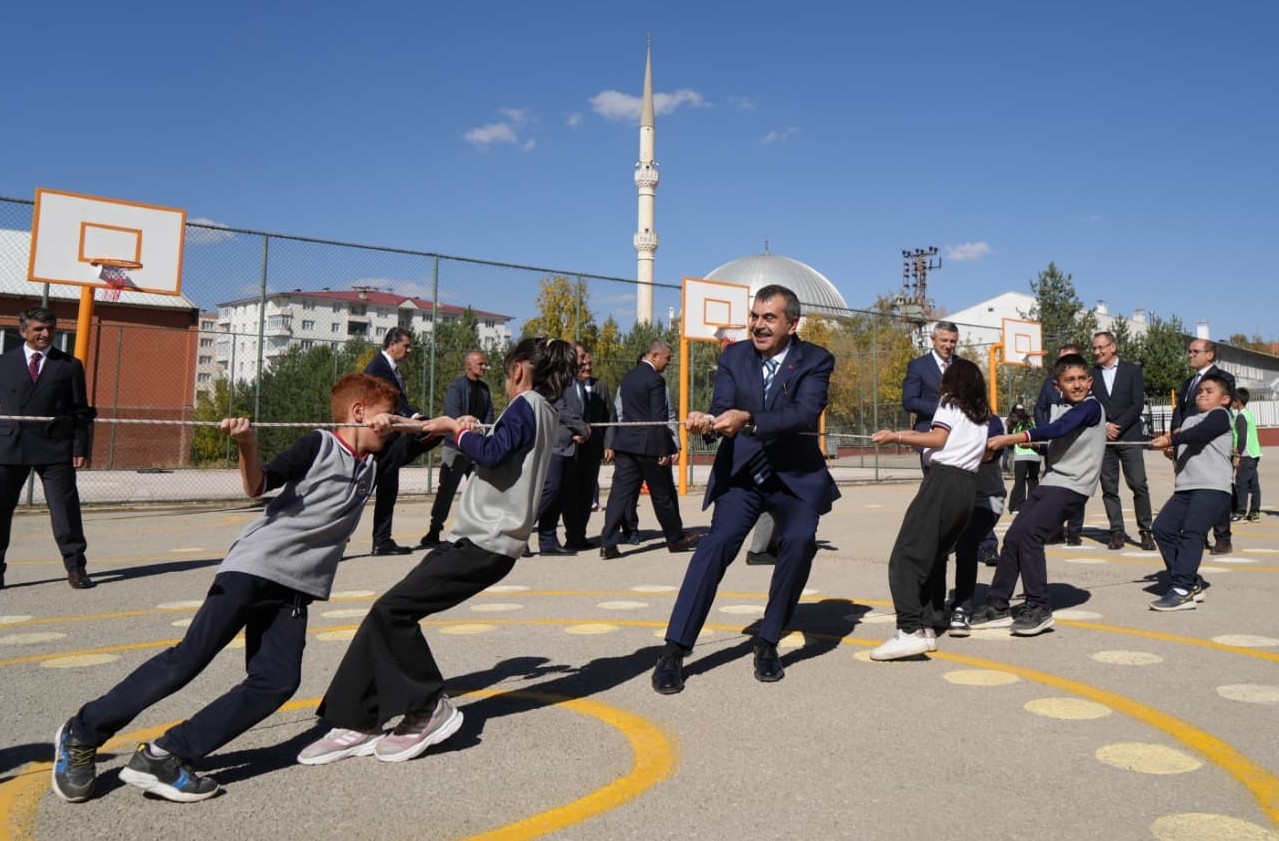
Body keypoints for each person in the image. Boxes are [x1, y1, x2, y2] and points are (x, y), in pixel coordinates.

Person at [52, 373, 418, 803]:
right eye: (385, 416)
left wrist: (436, 424)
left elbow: (432, 429)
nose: (391, 424)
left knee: (276, 681)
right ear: (359, 413)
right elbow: (257, 485)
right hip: (253, 568)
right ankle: (82, 732)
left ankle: (167, 754)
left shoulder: (376, 460)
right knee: (186, 660)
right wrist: (246, 443)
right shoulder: (319, 445)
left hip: (294, 588)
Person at [296, 338, 576, 766]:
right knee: (384, 613)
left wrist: (456, 430)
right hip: (479, 541)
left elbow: (493, 451)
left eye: (503, 373)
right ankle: (355, 719)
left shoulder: (527, 404)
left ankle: (428, 707)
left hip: (486, 543)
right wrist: (450, 427)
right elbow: (502, 449)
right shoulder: (542, 410)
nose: (503, 381)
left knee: (394, 612)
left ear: (518, 370)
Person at [652, 285, 839, 692]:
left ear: (792, 323)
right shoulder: (734, 356)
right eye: (754, 316)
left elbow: (804, 411)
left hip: (794, 476)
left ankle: (768, 640)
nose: (758, 325)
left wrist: (749, 419)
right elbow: (722, 406)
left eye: (768, 318)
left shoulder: (817, 360)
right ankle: (674, 649)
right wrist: (708, 419)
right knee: (715, 546)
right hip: (743, 475)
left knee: (800, 541)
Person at [968, 353, 1105, 637]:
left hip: (1073, 485)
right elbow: (1055, 441)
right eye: (1070, 380)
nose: (1077, 385)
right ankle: (998, 605)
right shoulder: (1061, 408)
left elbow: (1057, 430)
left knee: (1030, 535)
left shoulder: (1091, 407)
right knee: (1015, 537)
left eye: (1081, 379)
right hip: (1052, 480)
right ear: (1058, 386)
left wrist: (1010, 438)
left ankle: (1039, 606)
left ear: (1090, 382)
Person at [868, 358, 992, 660]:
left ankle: (908, 630)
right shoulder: (982, 415)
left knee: (906, 556)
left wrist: (895, 436)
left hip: (944, 481)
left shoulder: (950, 403)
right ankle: (926, 625)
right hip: (967, 487)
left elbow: (937, 438)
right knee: (933, 555)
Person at [0, 306, 95, 590]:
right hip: (9, 446)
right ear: (23, 331)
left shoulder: (69, 365)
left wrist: (80, 447)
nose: (46, 334)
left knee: (65, 510)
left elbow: (80, 411)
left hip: (55, 448)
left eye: (51, 328)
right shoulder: (4, 363)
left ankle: (76, 566)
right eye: (39, 329)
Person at [598, 341, 696, 558]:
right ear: (654, 355)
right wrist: (664, 449)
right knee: (663, 495)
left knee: (619, 496)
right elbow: (657, 418)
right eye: (667, 358)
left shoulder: (628, 378)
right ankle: (675, 539)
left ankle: (608, 544)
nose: (668, 363)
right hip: (649, 446)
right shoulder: (655, 381)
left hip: (625, 444)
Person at [1147, 374, 1235, 610]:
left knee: (1193, 533)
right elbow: (1187, 443)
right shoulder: (1189, 420)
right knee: (1162, 529)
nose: (1202, 394)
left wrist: (1170, 439)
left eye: (1209, 391)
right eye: (1200, 391)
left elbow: (1200, 434)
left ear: (1225, 399)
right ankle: (1190, 581)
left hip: (1213, 487)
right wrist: (1171, 449)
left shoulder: (1219, 416)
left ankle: (1182, 587)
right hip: (1186, 486)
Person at [1090, 331, 1155, 551]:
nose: (1097, 352)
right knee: (1109, 487)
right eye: (1094, 348)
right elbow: (1090, 404)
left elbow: (1137, 404)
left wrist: (1117, 426)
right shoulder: (1091, 375)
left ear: (1113, 347)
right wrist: (1104, 426)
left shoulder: (1132, 370)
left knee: (1138, 484)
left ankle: (1146, 531)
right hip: (1104, 439)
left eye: (1101, 347)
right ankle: (1116, 531)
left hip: (1129, 437)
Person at [1172, 338, 1237, 555]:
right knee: (1190, 489)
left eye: (1195, 351)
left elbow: (1221, 413)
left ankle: (1222, 537)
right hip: (1186, 443)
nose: (1190, 355)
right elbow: (1180, 411)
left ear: (1210, 354)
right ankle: (1195, 534)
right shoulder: (1189, 382)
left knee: (1214, 489)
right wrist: (1174, 436)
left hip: (1210, 444)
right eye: (1189, 351)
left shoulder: (1224, 379)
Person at [422, 351, 493, 547]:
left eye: (485, 364)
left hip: (477, 448)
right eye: (480, 364)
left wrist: (481, 435)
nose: (484, 367)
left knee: (482, 490)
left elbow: (489, 417)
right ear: (468, 365)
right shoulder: (456, 386)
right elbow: (452, 415)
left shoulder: (485, 389)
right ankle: (434, 530)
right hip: (456, 447)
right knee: (447, 490)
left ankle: (480, 531)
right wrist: (465, 431)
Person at [948, 413, 1008, 637]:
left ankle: (962, 607)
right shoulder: (945, 417)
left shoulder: (992, 422)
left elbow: (988, 455)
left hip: (987, 497)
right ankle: (931, 607)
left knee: (966, 545)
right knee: (935, 545)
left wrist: (944, 443)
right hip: (955, 495)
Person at [365, 328, 421, 556]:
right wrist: (416, 420)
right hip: (375, 440)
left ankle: (382, 540)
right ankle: (335, 540)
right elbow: (392, 401)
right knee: (360, 492)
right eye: (406, 346)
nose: (409, 350)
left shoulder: (391, 369)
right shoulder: (378, 368)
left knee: (388, 488)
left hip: (390, 440)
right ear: (392, 345)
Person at [533, 352, 590, 555]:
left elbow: (578, 410)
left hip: (569, 446)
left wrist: (580, 431)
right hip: (553, 445)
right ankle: (516, 534)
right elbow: (559, 406)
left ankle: (548, 540)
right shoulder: (553, 379)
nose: (583, 361)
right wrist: (582, 427)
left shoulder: (574, 381)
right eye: (579, 356)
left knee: (558, 495)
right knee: (549, 490)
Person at [1034, 343, 1085, 545]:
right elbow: (1040, 407)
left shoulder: (1083, 385)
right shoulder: (1049, 383)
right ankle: (1054, 529)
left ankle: (1074, 531)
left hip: (1077, 443)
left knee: (1075, 485)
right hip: (1053, 442)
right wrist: (1044, 430)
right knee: (1053, 485)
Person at [562, 346, 613, 551]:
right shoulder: (564, 385)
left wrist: (609, 444)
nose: (587, 366)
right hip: (571, 446)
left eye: (590, 363)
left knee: (586, 493)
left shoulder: (600, 386)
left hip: (592, 449)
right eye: (583, 362)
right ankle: (570, 536)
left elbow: (609, 417)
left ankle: (579, 535)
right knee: (569, 493)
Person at [902, 321, 960, 471]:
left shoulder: (962, 365)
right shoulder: (918, 366)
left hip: (959, 438)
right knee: (935, 490)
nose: (948, 345)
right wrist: (944, 409)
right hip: (930, 437)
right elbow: (909, 401)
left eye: (952, 341)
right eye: (944, 340)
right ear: (933, 340)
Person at [1231, 388, 1262, 523]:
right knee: (1254, 484)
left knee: (1242, 483)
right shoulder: (1248, 414)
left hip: (1246, 454)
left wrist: (1237, 454)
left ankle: (1241, 511)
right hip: (1254, 453)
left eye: (1232, 400)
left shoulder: (1240, 416)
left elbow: (1242, 437)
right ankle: (1254, 512)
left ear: (1237, 402)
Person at [1006, 404, 1040, 513]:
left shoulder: (1014, 424)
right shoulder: (1031, 423)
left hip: (1021, 456)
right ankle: (1032, 505)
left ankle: (1016, 506)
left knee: (1019, 482)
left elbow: (1011, 443)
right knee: (1033, 480)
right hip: (1035, 456)